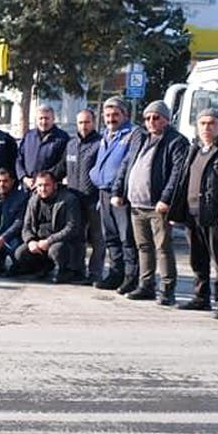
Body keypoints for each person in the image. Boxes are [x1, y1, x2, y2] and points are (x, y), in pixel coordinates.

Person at [170, 108, 218, 319]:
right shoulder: (194, 148)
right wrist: (177, 210)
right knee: (198, 259)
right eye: (203, 123)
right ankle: (201, 297)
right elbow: (183, 180)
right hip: (193, 213)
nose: (207, 127)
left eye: (211, 123)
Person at [111, 100, 189, 305]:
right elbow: (126, 165)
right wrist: (118, 190)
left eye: (156, 117)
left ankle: (167, 289)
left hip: (157, 206)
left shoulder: (176, 141)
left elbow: (177, 174)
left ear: (166, 119)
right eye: (147, 118)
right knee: (143, 247)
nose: (151, 122)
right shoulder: (141, 138)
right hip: (136, 204)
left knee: (163, 248)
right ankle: (146, 286)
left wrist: (166, 199)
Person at [89, 96, 138, 293]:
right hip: (103, 192)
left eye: (115, 115)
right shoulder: (106, 135)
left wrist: (118, 189)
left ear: (125, 115)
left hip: (120, 195)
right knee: (110, 237)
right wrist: (94, 175)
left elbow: (128, 165)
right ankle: (115, 274)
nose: (111, 119)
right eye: (107, 115)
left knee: (126, 238)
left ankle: (130, 277)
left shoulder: (132, 134)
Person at [14, 170, 84, 283]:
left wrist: (49, 241)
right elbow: (26, 226)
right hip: (39, 241)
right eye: (40, 185)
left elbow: (72, 227)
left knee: (56, 250)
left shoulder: (69, 200)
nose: (43, 189)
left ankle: (67, 271)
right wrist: (30, 241)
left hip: (62, 242)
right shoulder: (33, 200)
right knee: (20, 253)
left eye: (47, 185)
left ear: (55, 185)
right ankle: (42, 268)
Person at [62, 108, 104, 284]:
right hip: (74, 198)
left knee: (97, 238)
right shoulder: (71, 144)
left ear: (93, 123)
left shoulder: (101, 143)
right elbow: (61, 168)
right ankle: (76, 270)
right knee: (75, 237)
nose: (84, 126)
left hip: (93, 199)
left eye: (87, 122)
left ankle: (95, 273)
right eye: (80, 122)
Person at [16, 104, 70, 190]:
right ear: (36, 120)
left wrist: (43, 180)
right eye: (41, 118)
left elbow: (63, 164)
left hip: (49, 188)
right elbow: (19, 159)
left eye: (47, 118)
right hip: (27, 187)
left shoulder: (62, 138)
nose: (44, 122)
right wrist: (24, 178)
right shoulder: (29, 136)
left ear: (53, 119)